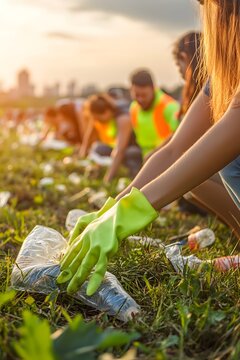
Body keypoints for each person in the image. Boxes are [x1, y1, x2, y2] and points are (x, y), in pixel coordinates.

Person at [58, 0, 240, 296]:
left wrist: (130, 214)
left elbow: (236, 121)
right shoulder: (223, 75)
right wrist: (116, 207)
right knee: (203, 167)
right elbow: (173, 150)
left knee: (223, 157)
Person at [80, 94, 142, 182]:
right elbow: (90, 134)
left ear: (106, 112)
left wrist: (107, 179)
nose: (98, 122)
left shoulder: (123, 117)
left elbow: (120, 150)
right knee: (98, 148)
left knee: (130, 153)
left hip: (137, 149)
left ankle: (134, 178)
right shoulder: (105, 113)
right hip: (121, 148)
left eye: (99, 119)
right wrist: (82, 153)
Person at [130, 69, 180, 157]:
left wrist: (155, 153)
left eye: (144, 95)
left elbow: (179, 134)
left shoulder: (169, 106)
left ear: (153, 89)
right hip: (144, 156)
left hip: (167, 156)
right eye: (137, 95)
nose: (140, 99)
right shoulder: (133, 108)